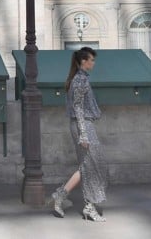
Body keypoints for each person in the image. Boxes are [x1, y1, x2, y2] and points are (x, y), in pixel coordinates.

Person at [49, 46, 107, 222]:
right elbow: (78, 108)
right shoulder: (80, 81)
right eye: (92, 59)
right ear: (83, 61)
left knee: (88, 166)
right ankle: (89, 206)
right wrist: (83, 134)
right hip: (83, 127)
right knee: (94, 166)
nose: (93, 62)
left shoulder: (79, 79)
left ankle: (60, 196)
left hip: (83, 125)